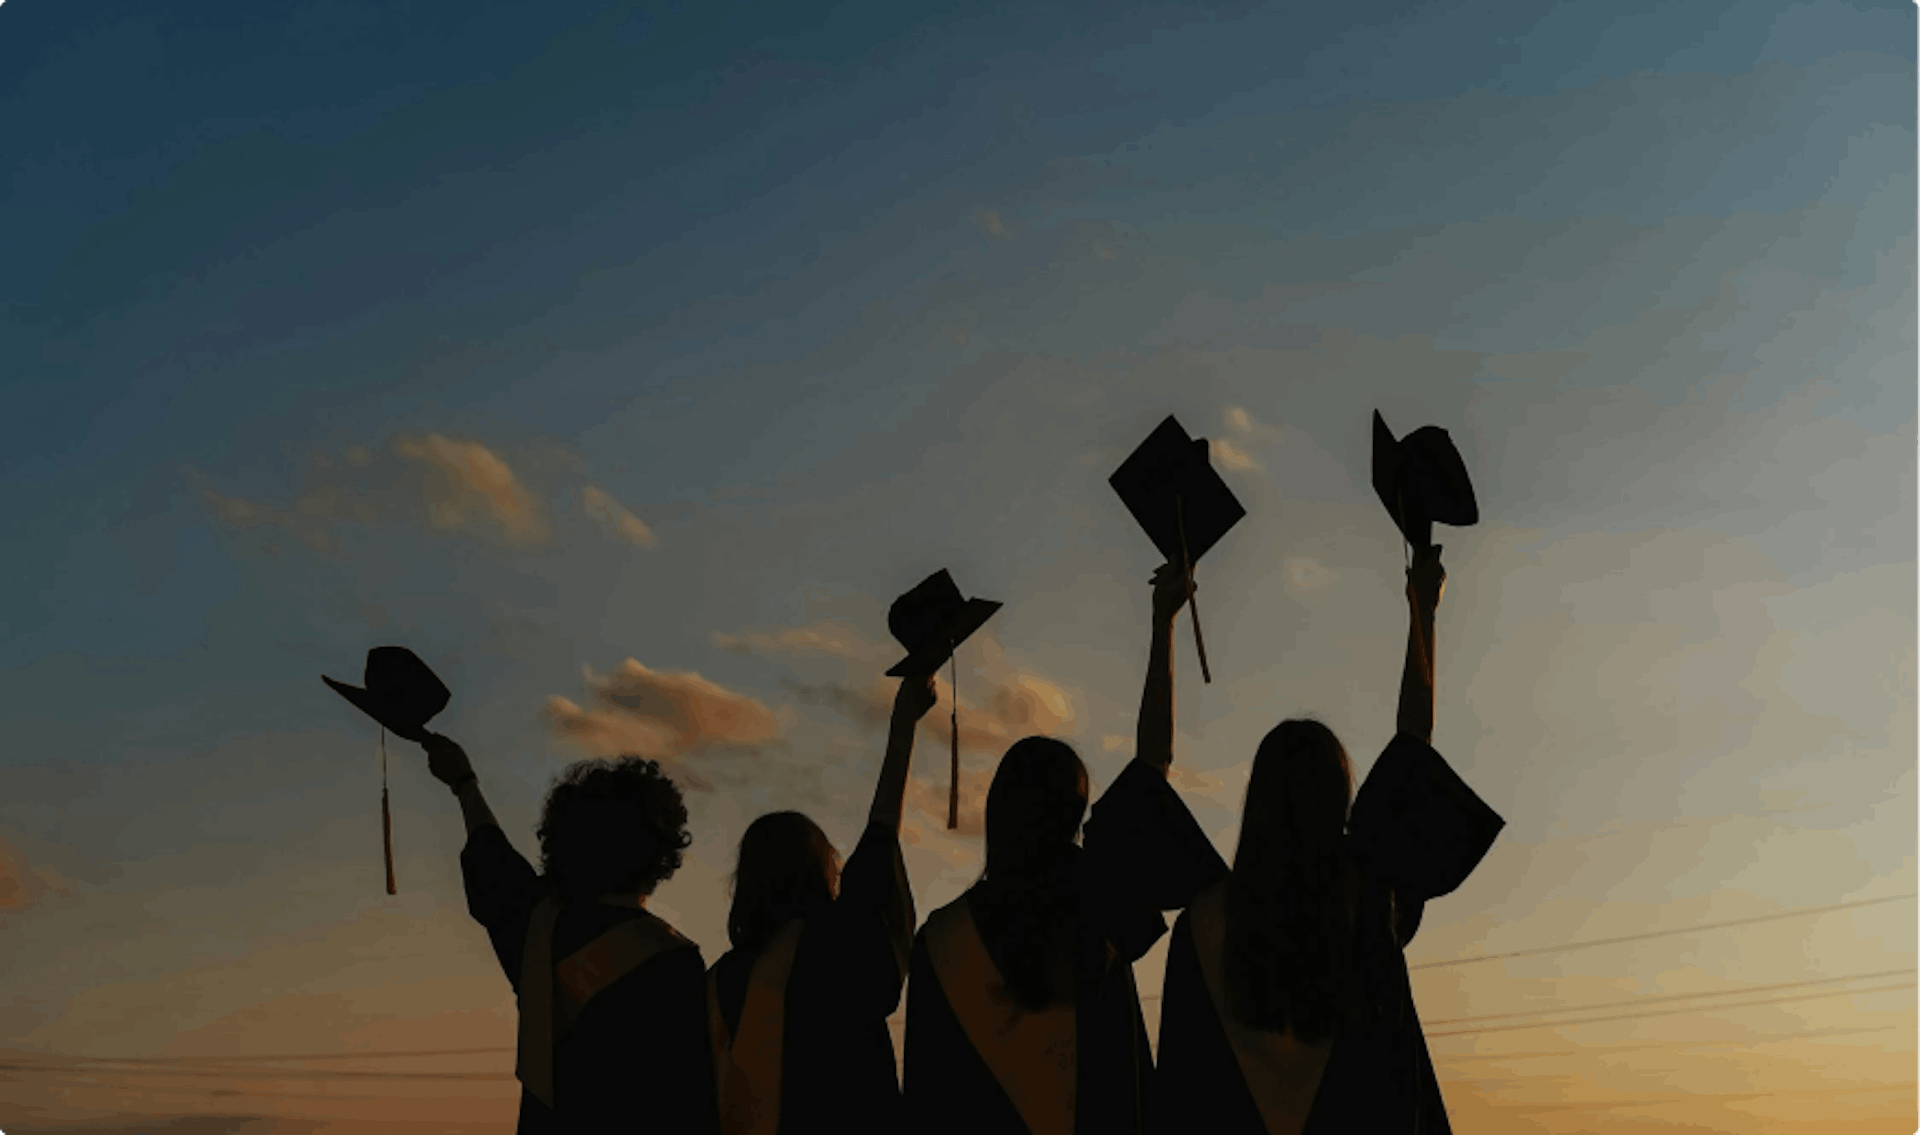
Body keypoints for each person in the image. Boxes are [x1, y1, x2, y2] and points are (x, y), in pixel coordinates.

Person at [1150, 545, 1505, 1135]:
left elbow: (1150, 772)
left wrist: (1162, 625)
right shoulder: (1369, 900)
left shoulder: (1205, 924)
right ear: (1339, 801)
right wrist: (1422, 610)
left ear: (1257, 803)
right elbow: (1413, 744)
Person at [902, 563, 1230, 1135]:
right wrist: (1162, 623)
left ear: (998, 816)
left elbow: (927, 1103)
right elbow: (1153, 766)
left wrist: (902, 724)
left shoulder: (942, 942)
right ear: (1076, 817)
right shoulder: (1099, 895)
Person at [421, 734, 720, 1135]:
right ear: (660, 849)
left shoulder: (535, 925)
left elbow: (491, 859)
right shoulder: (672, 962)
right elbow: (690, 1103)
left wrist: (464, 783)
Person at [705, 671, 937, 1134]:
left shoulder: (715, 986)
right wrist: (903, 725)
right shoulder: (836, 948)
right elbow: (880, 836)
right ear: (821, 873)